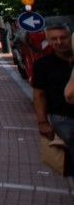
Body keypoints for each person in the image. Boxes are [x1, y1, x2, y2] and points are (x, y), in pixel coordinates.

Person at [32, 20, 74, 148]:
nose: (59, 42)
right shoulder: (43, 65)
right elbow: (39, 94)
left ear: (71, 37)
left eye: (63, 38)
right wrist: (42, 122)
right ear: (48, 41)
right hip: (63, 119)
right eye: (54, 39)